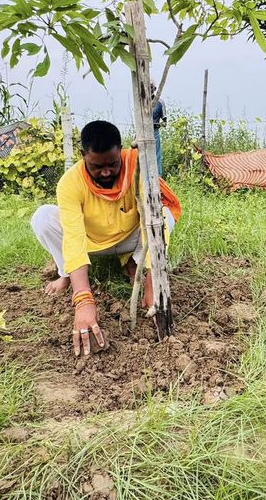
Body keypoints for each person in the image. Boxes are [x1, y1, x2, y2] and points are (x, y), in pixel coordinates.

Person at [30, 120, 181, 357]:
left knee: (162, 215)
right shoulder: (70, 183)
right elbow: (73, 237)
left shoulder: (138, 169)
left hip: (130, 237)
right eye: (97, 166)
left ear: (121, 151)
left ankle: (134, 262)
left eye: (113, 164)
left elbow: (150, 223)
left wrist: (153, 283)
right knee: (43, 218)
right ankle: (66, 273)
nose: (106, 172)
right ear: (83, 156)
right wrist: (83, 300)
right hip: (92, 243)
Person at [151, 86, 167, 175]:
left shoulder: (160, 103)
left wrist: (156, 124)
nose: (149, 89)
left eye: (151, 87)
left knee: (156, 155)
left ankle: (158, 178)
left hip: (154, 132)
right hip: (142, 132)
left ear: (154, 89)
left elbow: (165, 122)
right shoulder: (141, 101)